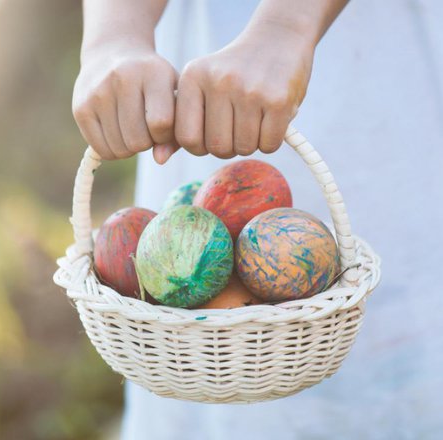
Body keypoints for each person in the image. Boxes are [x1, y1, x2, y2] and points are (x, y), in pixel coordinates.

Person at [72, 0, 443, 438]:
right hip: (199, 81)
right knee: (206, 373)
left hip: (377, 77)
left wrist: (286, 26)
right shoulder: (186, 242)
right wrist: (116, 36)